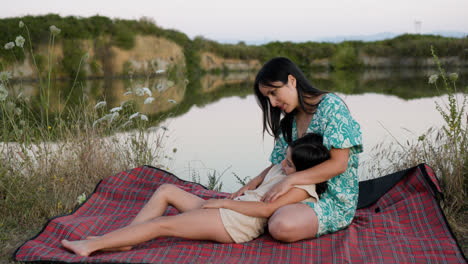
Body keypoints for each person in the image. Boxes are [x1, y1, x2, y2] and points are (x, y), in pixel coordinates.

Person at [61, 133, 331, 256]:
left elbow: (263, 211)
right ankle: (124, 240)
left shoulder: (299, 188)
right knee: (166, 190)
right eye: (285, 159)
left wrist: (223, 201)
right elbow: (263, 175)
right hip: (230, 209)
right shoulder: (286, 171)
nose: (283, 165)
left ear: (305, 170)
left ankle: (91, 246)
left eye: (289, 164)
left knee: (161, 225)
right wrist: (240, 190)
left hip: (235, 223)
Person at [230, 57, 363, 242]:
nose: (273, 103)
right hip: (296, 192)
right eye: (268, 98)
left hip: (331, 200)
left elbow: (339, 164)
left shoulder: (331, 107)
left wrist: (291, 180)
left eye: (274, 93)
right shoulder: (290, 120)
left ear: (292, 81)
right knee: (251, 207)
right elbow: (278, 165)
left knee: (280, 226)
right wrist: (251, 184)